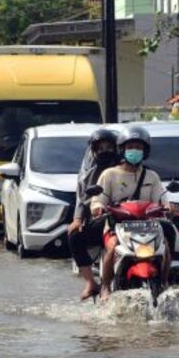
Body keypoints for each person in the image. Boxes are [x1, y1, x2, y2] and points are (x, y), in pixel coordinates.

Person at [91, 125, 175, 300]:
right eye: (130, 147)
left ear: (145, 151)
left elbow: (162, 197)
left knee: (165, 245)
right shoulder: (109, 175)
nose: (134, 151)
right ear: (122, 150)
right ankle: (105, 287)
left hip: (148, 227)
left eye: (138, 147)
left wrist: (169, 206)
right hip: (118, 226)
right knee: (112, 245)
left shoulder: (152, 176)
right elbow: (98, 199)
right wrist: (98, 206)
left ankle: (165, 282)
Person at [67, 128, 119, 300]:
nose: (105, 151)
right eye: (100, 148)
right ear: (94, 151)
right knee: (74, 235)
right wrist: (78, 218)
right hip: (104, 219)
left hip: (130, 219)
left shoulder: (130, 169)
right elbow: (84, 197)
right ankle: (92, 282)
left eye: (109, 147)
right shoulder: (91, 173)